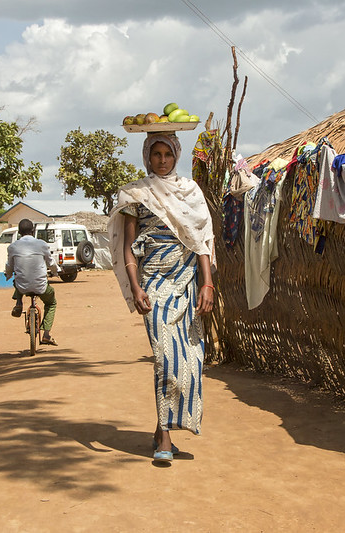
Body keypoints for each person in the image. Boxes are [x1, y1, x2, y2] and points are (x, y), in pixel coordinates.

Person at [107, 132, 216, 463]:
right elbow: (128, 247)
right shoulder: (135, 194)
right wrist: (135, 285)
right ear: (147, 156)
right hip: (153, 282)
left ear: (176, 155)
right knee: (165, 357)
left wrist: (207, 284)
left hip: (187, 282)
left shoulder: (190, 192)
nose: (162, 160)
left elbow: (201, 242)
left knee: (191, 358)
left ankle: (161, 426)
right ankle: (165, 440)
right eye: (156, 154)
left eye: (167, 154)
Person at [4, 218, 60, 346]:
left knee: (16, 280)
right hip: (40, 285)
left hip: (22, 286)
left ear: (19, 232)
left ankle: (19, 302)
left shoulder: (12, 247)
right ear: (33, 231)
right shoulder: (41, 244)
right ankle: (46, 334)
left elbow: (9, 265)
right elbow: (50, 262)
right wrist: (56, 271)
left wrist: (7, 274)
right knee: (51, 303)